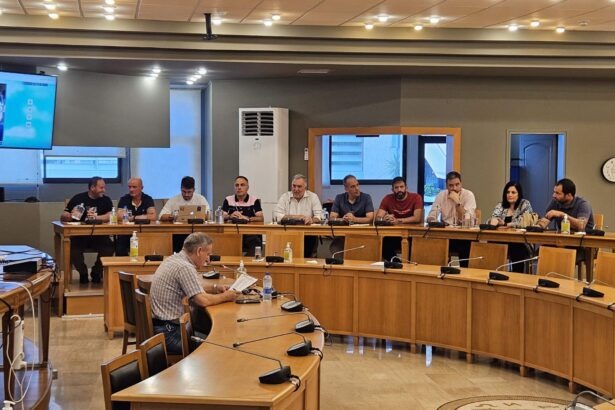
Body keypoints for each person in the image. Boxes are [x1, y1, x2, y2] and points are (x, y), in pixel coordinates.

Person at [149, 233, 238, 354]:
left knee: (208, 329)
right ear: (199, 251)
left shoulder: (173, 259)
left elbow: (191, 287)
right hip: (170, 333)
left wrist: (215, 288)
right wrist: (226, 296)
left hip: (162, 328)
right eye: (208, 254)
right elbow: (202, 300)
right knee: (219, 346)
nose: (208, 259)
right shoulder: (185, 267)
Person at [60, 176, 114, 284]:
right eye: (101, 188)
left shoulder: (106, 200)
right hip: (79, 236)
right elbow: (63, 216)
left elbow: (110, 215)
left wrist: (96, 217)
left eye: (104, 187)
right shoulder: (78, 198)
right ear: (92, 187)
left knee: (109, 247)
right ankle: (83, 272)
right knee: (73, 249)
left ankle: (96, 272)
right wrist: (70, 216)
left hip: (99, 236)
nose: (104, 190)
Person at [426, 171, 477, 266]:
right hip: (446, 234)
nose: (454, 188)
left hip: (464, 235)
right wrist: (432, 219)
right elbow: (432, 214)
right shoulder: (441, 195)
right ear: (446, 186)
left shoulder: (468, 195)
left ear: (461, 183)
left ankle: (465, 273)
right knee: (431, 244)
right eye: (451, 185)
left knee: (467, 246)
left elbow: (467, 220)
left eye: (457, 184)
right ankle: (441, 271)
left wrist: (457, 202)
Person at [489, 181, 534, 272]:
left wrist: (506, 224)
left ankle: (517, 275)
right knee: (491, 243)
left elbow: (524, 223)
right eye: (508, 192)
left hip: (521, 241)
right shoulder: (500, 206)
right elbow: (492, 219)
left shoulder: (525, 204)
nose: (510, 195)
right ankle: (496, 273)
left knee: (516, 246)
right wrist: (492, 221)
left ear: (519, 194)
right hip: (502, 240)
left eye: (513, 192)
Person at [274, 174, 322, 257]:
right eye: (294, 186)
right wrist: (296, 217)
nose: (296, 189)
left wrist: (311, 220)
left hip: (307, 234)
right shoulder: (285, 197)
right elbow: (277, 215)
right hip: (287, 232)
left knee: (309, 249)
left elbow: (319, 216)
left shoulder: (313, 197)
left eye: (299, 187)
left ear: (305, 187)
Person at [222, 176, 264, 255]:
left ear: (247, 187)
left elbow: (261, 218)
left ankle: (248, 262)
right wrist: (230, 216)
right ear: (234, 187)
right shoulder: (228, 199)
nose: (239, 187)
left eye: (242, 185)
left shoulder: (254, 200)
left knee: (255, 242)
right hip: (232, 233)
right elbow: (222, 217)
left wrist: (247, 218)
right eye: (237, 185)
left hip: (250, 233)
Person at [116, 177, 157, 256]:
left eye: (134, 187)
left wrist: (133, 218)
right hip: (126, 232)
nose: (131, 189)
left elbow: (153, 216)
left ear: (141, 188)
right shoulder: (124, 199)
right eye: (129, 187)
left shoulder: (147, 199)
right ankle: (123, 263)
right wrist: (142, 217)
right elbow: (119, 215)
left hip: (144, 232)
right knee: (120, 243)